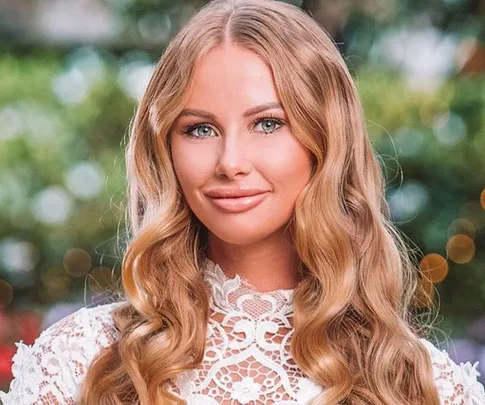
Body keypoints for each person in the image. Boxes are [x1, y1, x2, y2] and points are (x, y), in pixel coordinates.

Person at [1, 0, 484, 404]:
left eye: (268, 123)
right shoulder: (79, 362)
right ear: (166, 148)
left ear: (326, 142)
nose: (230, 161)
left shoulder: (419, 384)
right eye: (199, 129)